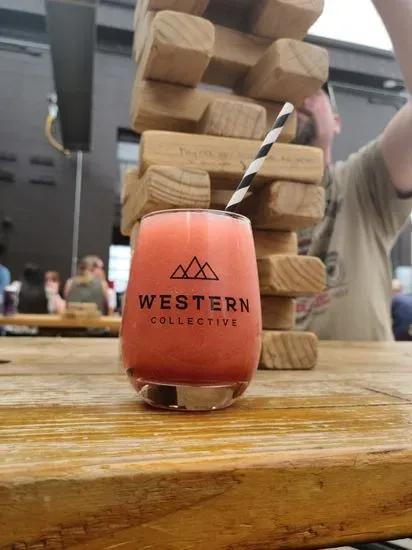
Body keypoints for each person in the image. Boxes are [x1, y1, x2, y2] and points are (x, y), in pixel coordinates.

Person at [294, 1, 412, 341]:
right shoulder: (247, 201)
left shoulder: (364, 181)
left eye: (314, 88)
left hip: (368, 375)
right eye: (286, 87)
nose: (298, 95)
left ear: (337, 121)